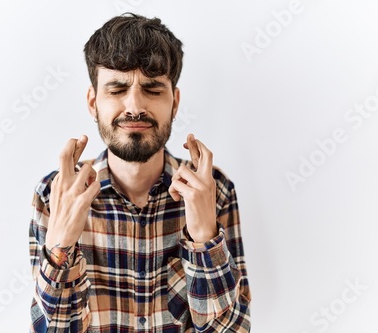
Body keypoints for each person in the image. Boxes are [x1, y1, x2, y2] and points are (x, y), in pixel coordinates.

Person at [29, 13, 251, 332]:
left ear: (174, 102)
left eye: (152, 89)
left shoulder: (214, 190)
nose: (134, 106)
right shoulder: (55, 194)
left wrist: (205, 240)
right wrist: (60, 248)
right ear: (93, 102)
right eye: (117, 89)